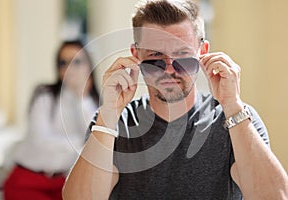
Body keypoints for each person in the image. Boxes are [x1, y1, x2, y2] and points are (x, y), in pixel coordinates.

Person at [63, 1, 288, 199]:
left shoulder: (236, 119)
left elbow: (275, 197)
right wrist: (108, 114)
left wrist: (232, 106)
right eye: (155, 57)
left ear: (203, 52)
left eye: (182, 56)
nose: (169, 69)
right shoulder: (114, 124)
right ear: (136, 55)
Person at [3, 40, 99, 200]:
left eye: (76, 61)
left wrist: (82, 97)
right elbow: (40, 141)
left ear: (88, 65)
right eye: (63, 62)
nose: (70, 68)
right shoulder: (45, 96)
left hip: (64, 184)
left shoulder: (92, 102)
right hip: (28, 180)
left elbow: (94, 141)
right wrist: (79, 145)